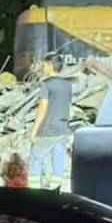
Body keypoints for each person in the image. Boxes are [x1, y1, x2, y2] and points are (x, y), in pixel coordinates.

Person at [29, 53, 72, 190]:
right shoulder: (67, 85)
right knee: (58, 161)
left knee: (36, 160)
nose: (43, 68)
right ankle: (55, 191)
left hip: (47, 130)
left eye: (44, 65)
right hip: (63, 129)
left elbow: (42, 108)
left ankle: (33, 194)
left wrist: (34, 131)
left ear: (49, 65)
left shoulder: (47, 85)